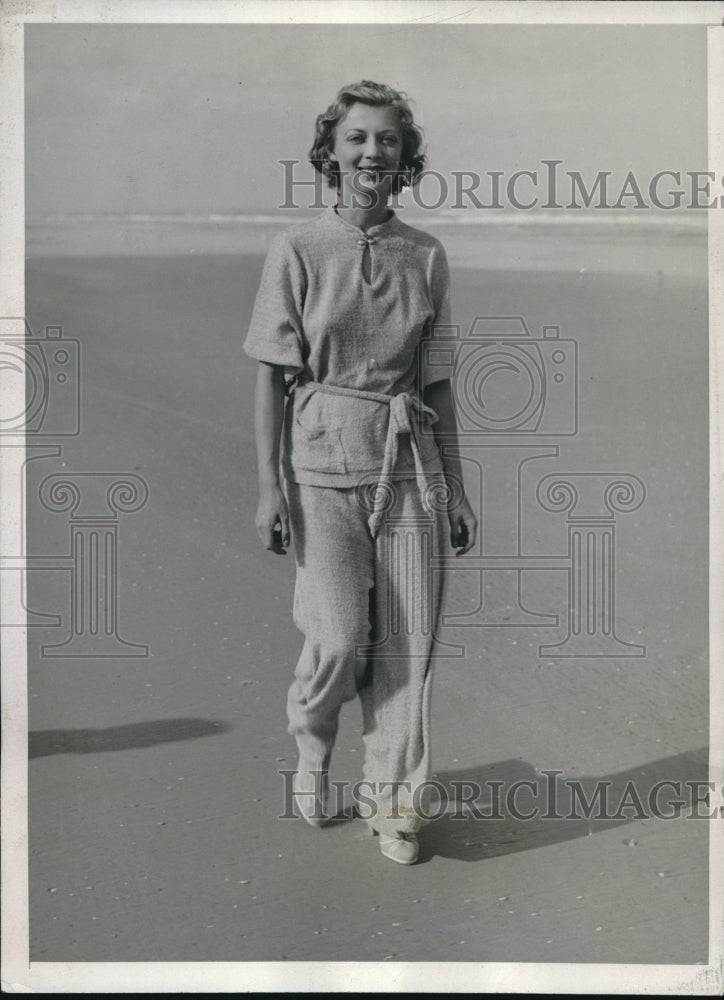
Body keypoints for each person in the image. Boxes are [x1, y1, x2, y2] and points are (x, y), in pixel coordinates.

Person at [244, 80, 477, 866]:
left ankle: (395, 806)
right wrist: (270, 486)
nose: (372, 151)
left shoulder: (427, 255)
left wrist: (455, 483)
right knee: (341, 637)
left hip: (408, 462)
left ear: (405, 154)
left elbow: (437, 378)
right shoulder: (298, 251)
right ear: (331, 152)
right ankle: (313, 741)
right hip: (319, 466)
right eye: (357, 139)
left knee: (408, 647)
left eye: (387, 139)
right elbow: (272, 376)